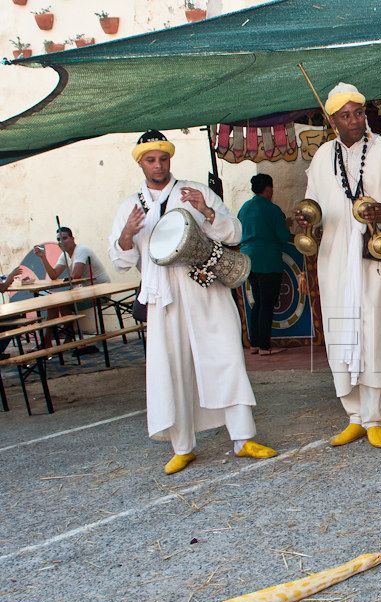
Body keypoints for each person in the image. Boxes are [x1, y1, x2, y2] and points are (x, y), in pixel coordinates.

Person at [108, 130, 277, 474]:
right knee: (173, 369)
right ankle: (183, 446)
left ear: (170, 159)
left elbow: (235, 233)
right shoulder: (130, 206)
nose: (158, 165)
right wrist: (127, 233)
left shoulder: (196, 191)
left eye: (163, 158)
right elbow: (120, 260)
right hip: (163, 299)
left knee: (226, 356)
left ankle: (244, 439)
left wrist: (209, 213)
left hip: (204, 288)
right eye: (151, 160)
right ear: (140, 162)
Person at [297, 82, 381, 449]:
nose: (354, 121)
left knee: (375, 333)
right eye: (346, 115)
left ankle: (376, 417)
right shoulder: (322, 157)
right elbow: (313, 202)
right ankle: (353, 417)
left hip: (377, 256)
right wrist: (307, 218)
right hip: (336, 259)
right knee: (343, 333)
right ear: (332, 119)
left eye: (359, 113)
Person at [239, 173, 290, 356]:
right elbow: (283, 236)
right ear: (268, 189)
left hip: (249, 260)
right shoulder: (272, 209)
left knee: (258, 303)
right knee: (267, 304)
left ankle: (254, 344)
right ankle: (265, 346)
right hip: (268, 260)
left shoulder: (244, 207)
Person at [34, 227, 112, 285]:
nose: (61, 242)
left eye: (64, 238)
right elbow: (54, 275)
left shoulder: (81, 250)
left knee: (62, 306)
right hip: (87, 290)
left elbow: (76, 275)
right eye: (58, 239)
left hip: (101, 290)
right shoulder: (64, 255)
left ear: (72, 239)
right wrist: (43, 257)